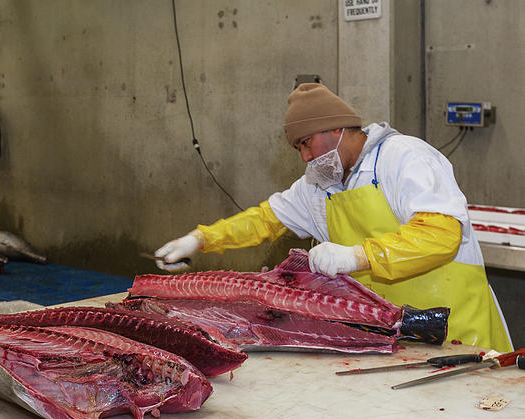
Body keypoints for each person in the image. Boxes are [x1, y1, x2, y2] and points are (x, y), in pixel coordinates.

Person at [155, 82, 511, 352]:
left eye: (307, 143)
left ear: (336, 129)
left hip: (462, 333)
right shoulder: (317, 187)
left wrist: (356, 256)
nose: (305, 157)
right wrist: (201, 239)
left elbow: (439, 234)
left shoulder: (403, 157)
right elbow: (265, 220)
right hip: (390, 334)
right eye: (298, 148)